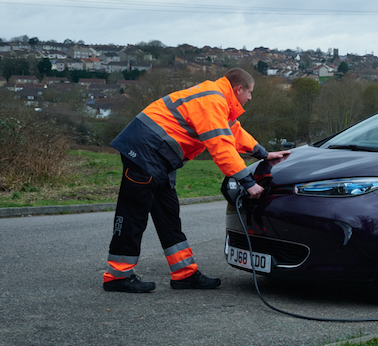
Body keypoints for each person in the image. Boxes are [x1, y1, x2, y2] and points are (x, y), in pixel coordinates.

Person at [102, 68, 289, 293]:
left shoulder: (217, 101)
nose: (250, 98)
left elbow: (234, 133)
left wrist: (263, 153)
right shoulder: (213, 100)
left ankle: (185, 274)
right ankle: (117, 276)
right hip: (144, 153)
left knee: (169, 216)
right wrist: (248, 182)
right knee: (133, 214)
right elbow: (221, 146)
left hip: (158, 158)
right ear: (238, 89)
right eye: (249, 92)